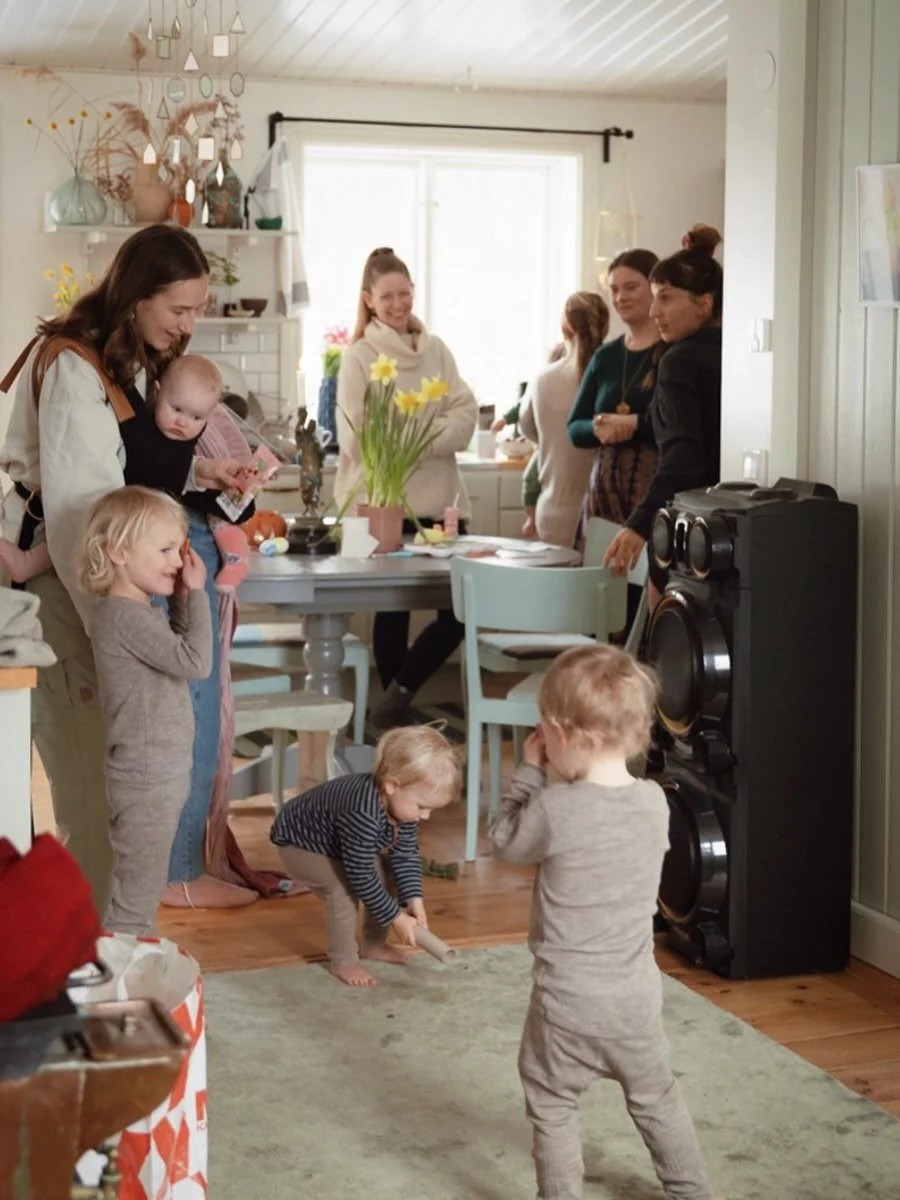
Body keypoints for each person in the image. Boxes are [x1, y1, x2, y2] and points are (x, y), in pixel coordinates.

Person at [0, 224, 255, 914]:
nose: (190, 323)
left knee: (95, 779)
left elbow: (135, 464)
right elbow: (86, 513)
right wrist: (126, 631)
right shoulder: (76, 367)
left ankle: (83, 946)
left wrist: (206, 471)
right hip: (59, 582)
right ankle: (90, 954)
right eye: (180, 308)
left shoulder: (130, 360)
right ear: (138, 296)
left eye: (199, 308)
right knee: (90, 775)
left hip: (79, 578)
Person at [490, 644, 715, 1200]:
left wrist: (530, 771)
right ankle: (693, 1192)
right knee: (657, 1096)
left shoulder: (552, 809)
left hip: (566, 1000)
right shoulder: (656, 803)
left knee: (551, 1098)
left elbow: (504, 839)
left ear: (561, 734)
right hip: (635, 997)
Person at [335, 247, 478, 731]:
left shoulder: (436, 349)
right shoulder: (360, 357)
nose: (398, 303)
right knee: (391, 612)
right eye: (387, 295)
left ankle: (396, 699)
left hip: (443, 503)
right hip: (383, 504)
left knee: (460, 612)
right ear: (369, 300)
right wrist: (423, 428)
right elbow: (356, 436)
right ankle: (393, 725)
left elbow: (466, 413)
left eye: (405, 292)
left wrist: (414, 435)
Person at [76, 486, 213, 935]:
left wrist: (178, 596)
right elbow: (195, 662)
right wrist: (198, 593)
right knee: (136, 893)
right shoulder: (124, 616)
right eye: (166, 549)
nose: (178, 561)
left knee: (143, 882)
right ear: (119, 551)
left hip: (157, 771)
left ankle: (130, 959)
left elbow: (175, 645)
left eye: (180, 549)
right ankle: (121, 975)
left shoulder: (137, 611)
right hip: (148, 775)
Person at [0, 353, 251, 593]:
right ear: (156, 392)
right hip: (117, 519)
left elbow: (184, 471)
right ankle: (29, 562)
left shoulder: (187, 441)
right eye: (176, 410)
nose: (183, 422)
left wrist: (204, 472)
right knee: (82, 532)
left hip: (152, 538)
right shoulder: (137, 422)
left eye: (197, 417)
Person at [270, 724, 461, 987]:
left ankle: (373, 944)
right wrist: (396, 917)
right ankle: (343, 960)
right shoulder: (362, 811)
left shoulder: (403, 805)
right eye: (422, 807)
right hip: (299, 843)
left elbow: (405, 854)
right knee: (342, 889)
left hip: (336, 842)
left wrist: (414, 899)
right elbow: (359, 874)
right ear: (393, 785)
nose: (425, 816)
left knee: (387, 871)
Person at [602, 226, 723, 595]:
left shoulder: (680, 361)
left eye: (665, 298)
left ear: (704, 303)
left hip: (689, 528)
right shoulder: (735, 354)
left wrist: (639, 524)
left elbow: (682, 457)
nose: (654, 311)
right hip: (728, 527)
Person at [567, 249, 662, 532]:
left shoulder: (672, 352)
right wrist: (598, 428)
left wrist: (632, 425)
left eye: (631, 287)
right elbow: (574, 427)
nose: (621, 297)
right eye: (614, 290)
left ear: (655, 289)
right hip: (604, 492)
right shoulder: (605, 356)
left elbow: (677, 425)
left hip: (653, 491)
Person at [518, 293, 609, 547]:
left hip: (554, 511)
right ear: (606, 326)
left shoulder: (542, 380)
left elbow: (529, 430)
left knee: (555, 587)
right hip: (606, 515)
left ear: (564, 328)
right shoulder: (613, 376)